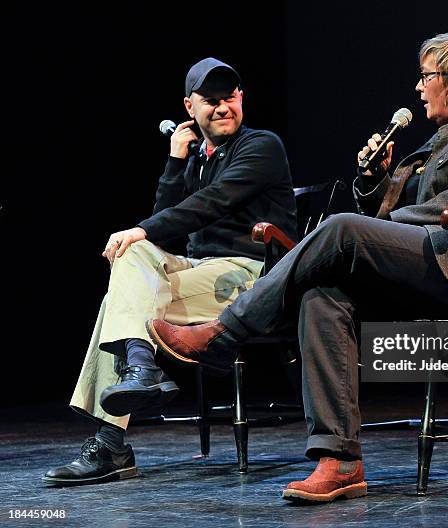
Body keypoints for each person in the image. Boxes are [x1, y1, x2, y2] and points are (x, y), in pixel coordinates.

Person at [147, 33, 448, 502]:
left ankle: (222, 333)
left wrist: (379, 223)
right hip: (427, 264)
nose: (418, 88)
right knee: (322, 292)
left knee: (340, 229)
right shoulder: (434, 143)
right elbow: (383, 216)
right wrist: (375, 180)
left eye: (426, 77)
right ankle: (340, 461)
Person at [43, 58, 297, 486]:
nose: (222, 108)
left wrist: (140, 229)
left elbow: (210, 203)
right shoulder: (196, 157)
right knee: (133, 258)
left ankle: (113, 440)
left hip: (252, 274)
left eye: (229, 98)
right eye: (210, 101)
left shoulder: (262, 146)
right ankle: (141, 369)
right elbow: (164, 224)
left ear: (242, 98)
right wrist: (177, 161)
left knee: (118, 300)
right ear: (189, 107)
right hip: (198, 269)